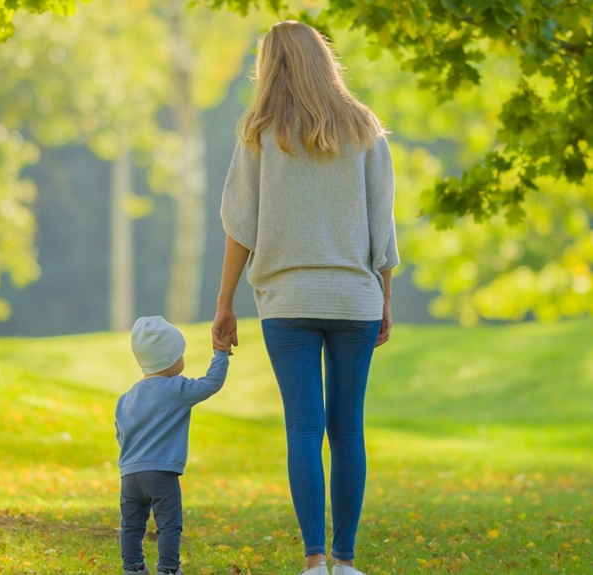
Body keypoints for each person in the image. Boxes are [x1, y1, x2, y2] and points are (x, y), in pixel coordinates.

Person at [211, 20, 399, 575]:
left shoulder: (260, 132)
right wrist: (384, 298)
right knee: (348, 428)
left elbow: (240, 226)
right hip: (355, 300)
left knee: (303, 427)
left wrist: (225, 305)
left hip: (287, 302)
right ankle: (346, 561)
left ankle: (314, 560)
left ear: (270, 66)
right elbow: (381, 227)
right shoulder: (366, 130)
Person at [116, 316, 230, 575]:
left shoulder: (126, 398)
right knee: (168, 525)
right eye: (180, 353)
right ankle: (168, 569)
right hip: (162, 473)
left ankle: (133, 568)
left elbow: (120, 434)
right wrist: (221, 354)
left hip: (130, 474)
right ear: (170, 360)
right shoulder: (176, 388)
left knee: (131, 526)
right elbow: (210, 384)